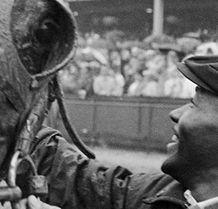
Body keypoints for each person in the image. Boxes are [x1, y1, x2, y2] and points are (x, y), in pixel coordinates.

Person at [23, 54, 218, 208]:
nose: (175, 113)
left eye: (193, 105)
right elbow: (83, 182)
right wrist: (22, 130)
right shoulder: (157, 194)